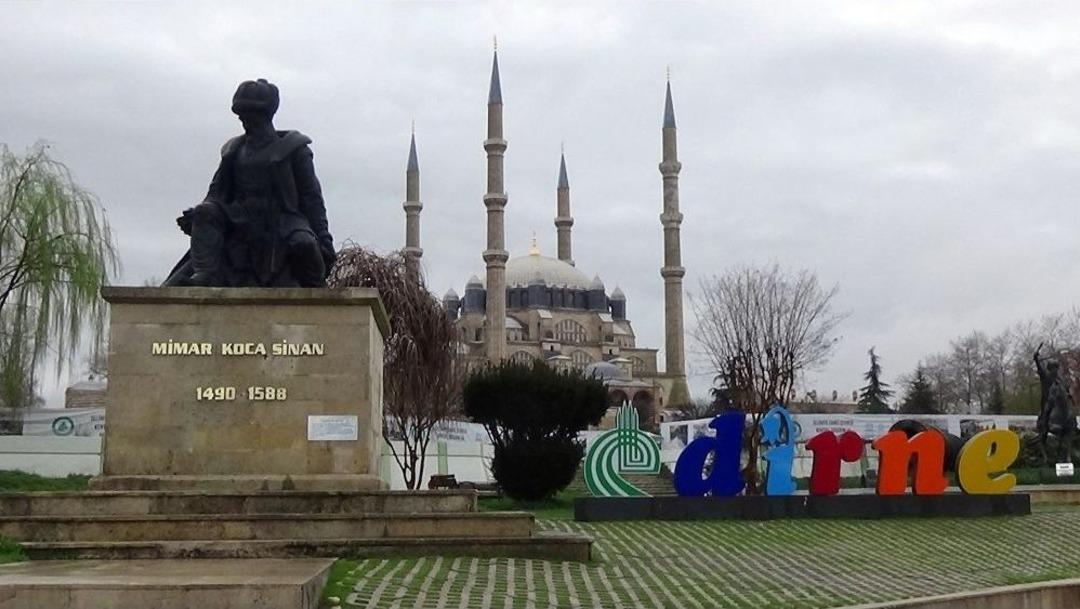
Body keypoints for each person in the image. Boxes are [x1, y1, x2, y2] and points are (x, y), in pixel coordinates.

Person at [165, 79, 336, 287]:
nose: (245, 121)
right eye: (242, 116)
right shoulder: (233, 151)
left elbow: (312, 198)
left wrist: (324, 240)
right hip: (239, 216)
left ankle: (316, 292)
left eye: (251, 115)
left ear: (266, 115)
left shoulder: (295, 150)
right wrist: (199, 214)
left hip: (282, 220)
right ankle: (206, 274)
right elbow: (215, 193)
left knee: (304, 244)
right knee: (204, 211)